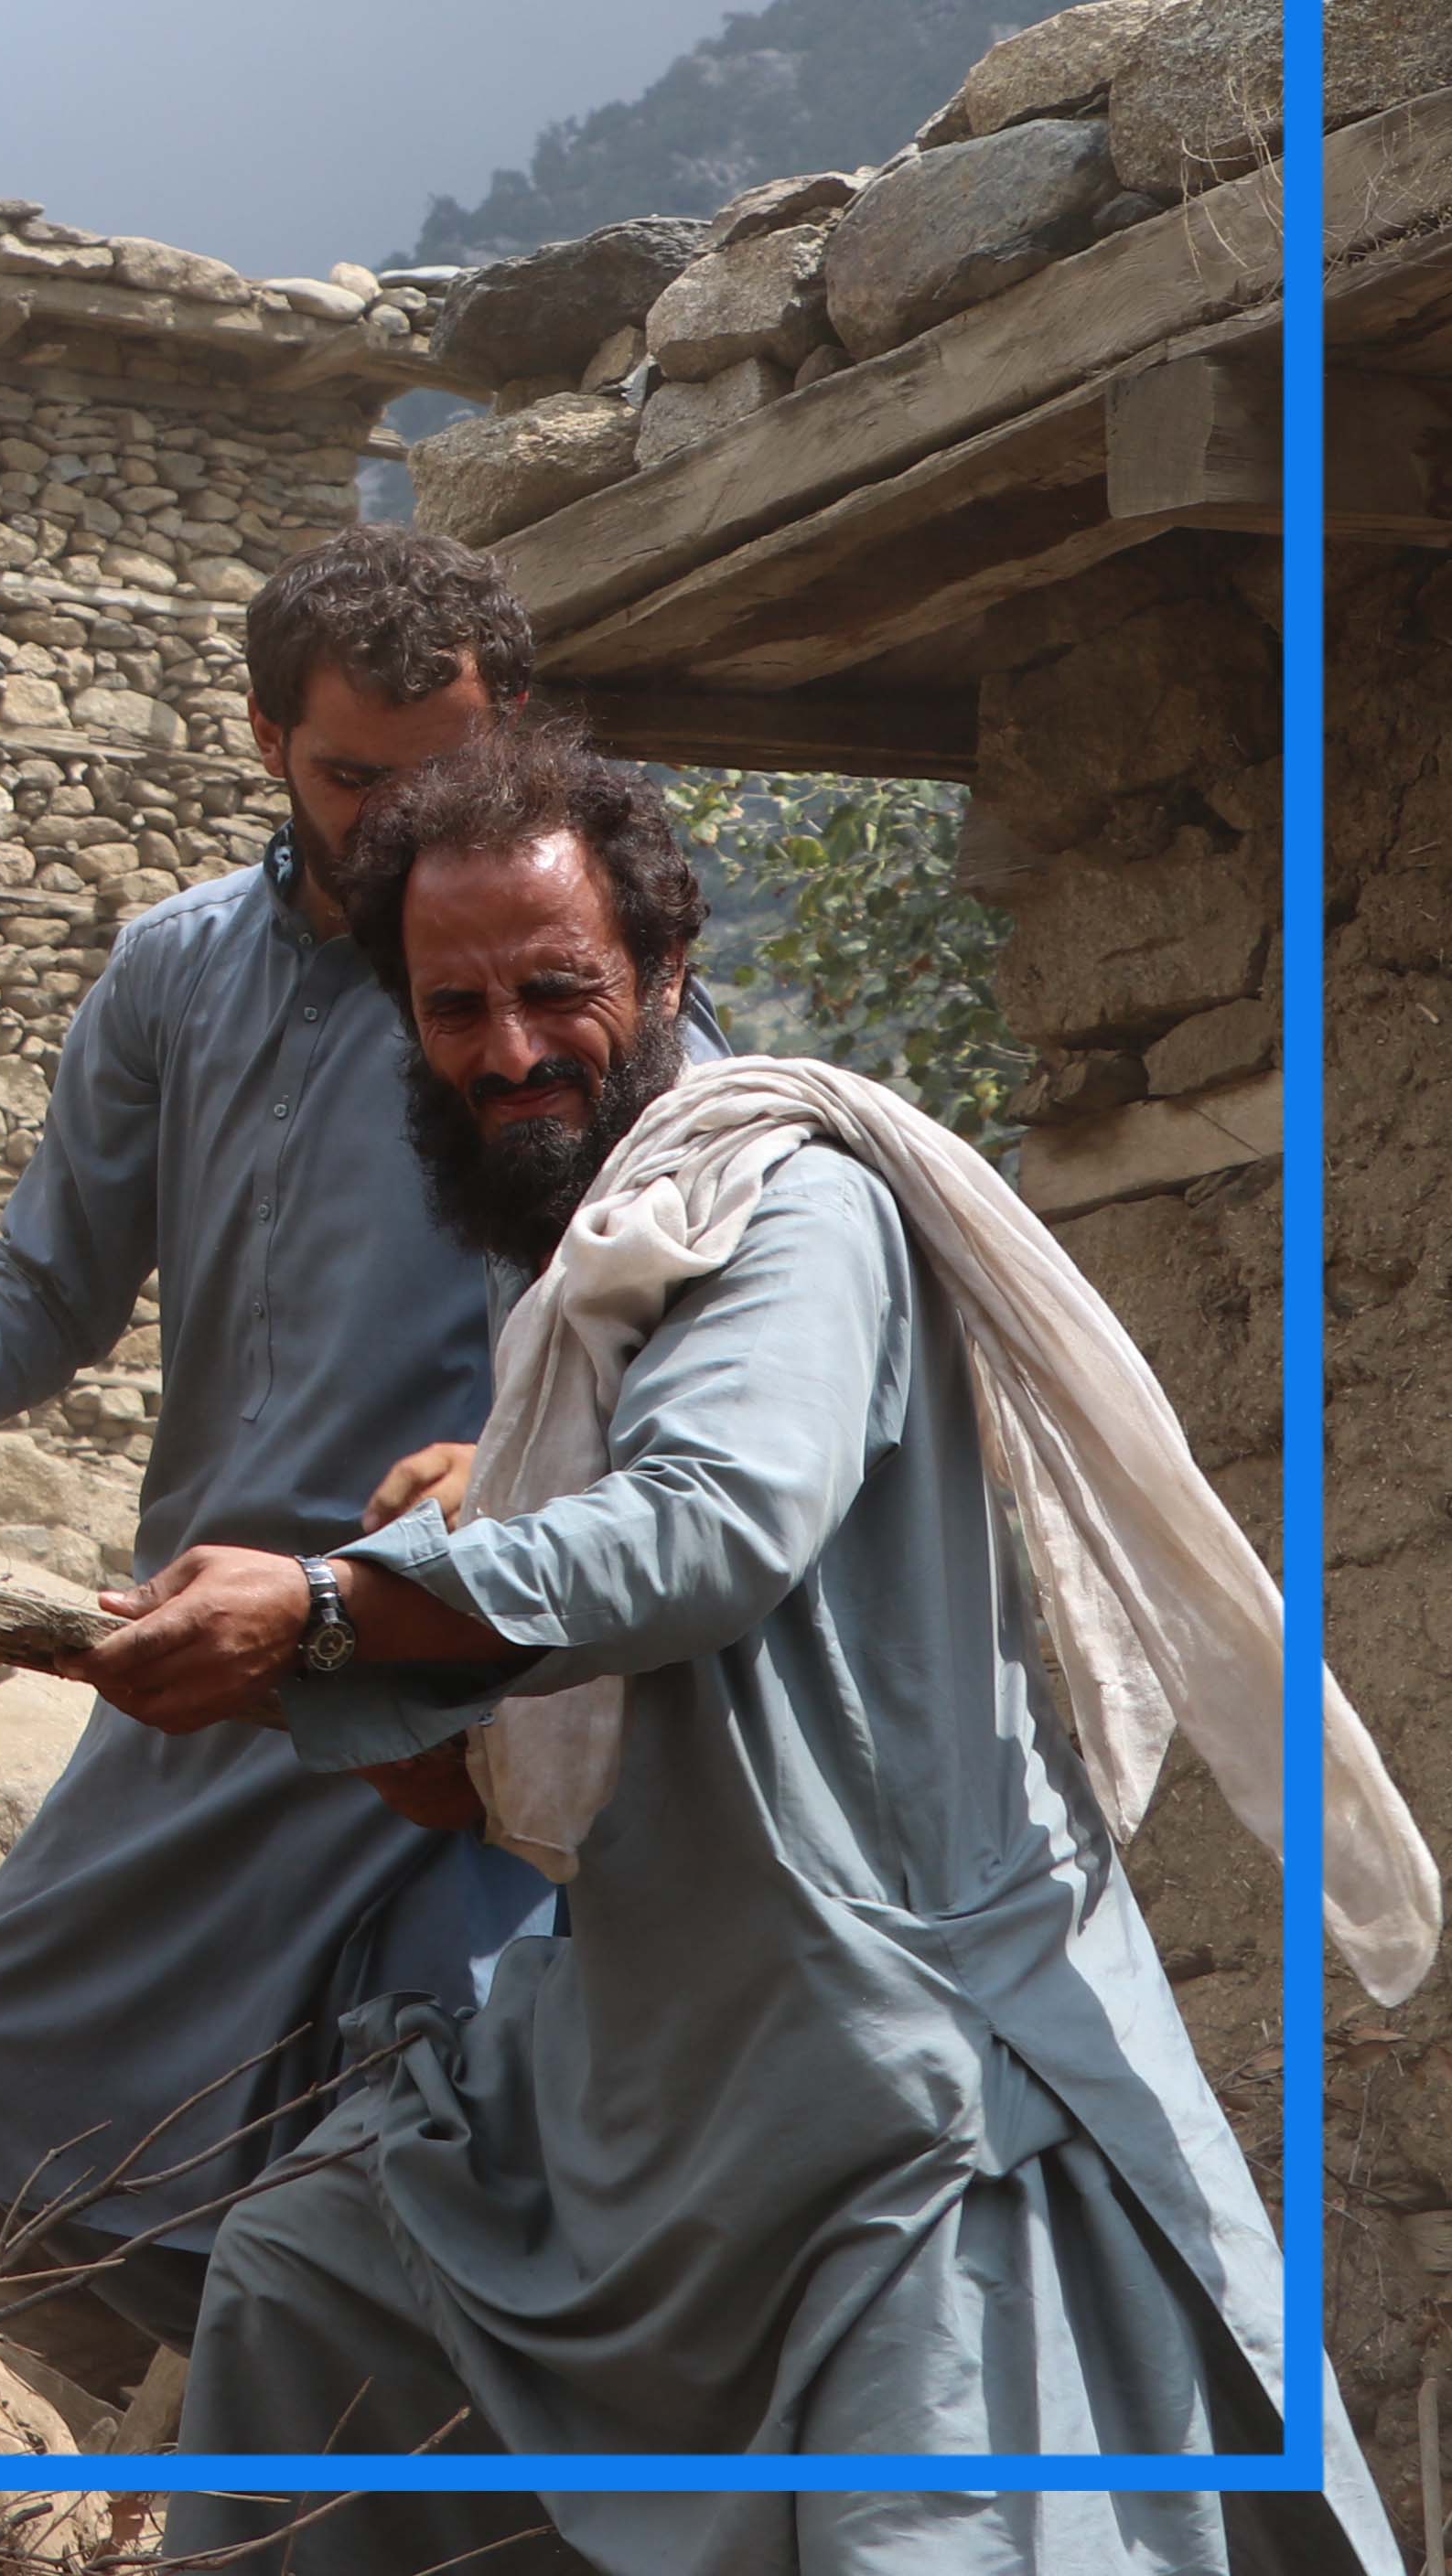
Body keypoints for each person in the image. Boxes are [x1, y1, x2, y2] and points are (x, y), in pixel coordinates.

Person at [127, 715, 1420, 2571]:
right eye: (454, 1007)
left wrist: (331, 1604)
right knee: (307, 2282)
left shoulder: (790, 1209)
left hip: (892, 2077)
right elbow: (511, 1766)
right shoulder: (585, 1282)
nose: (508, 1051)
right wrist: (337, 1641)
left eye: (556, 991)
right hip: (646, 2076)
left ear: (664, 971)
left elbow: (710, 1528)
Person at [0, 525, 575, 2318]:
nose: (396, 822)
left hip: (442, 1645)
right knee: (1, 2062)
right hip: (206, 1647)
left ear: (508, 731)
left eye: (439, 774)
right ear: (268, 738)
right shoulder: (176, 974)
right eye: (353, 779)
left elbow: (653, 1303)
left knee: (443, 2104)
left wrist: (505, 1483)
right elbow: (50, 1279)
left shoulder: (546, 998)